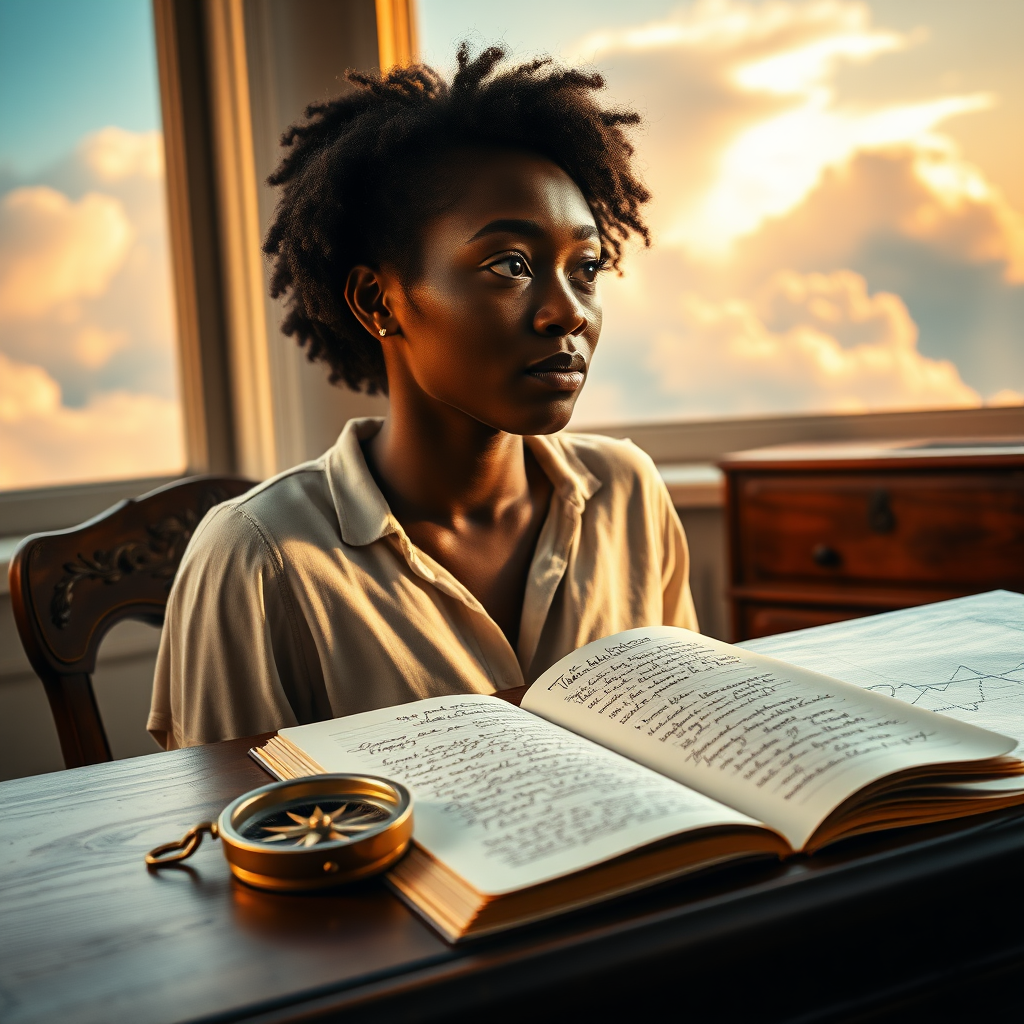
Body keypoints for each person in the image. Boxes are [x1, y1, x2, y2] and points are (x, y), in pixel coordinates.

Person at [148, 44, 698, 750]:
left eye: (586, 268)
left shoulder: (629, 495)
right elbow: (240, 835)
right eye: (511, 265)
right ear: (379, 302)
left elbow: (691, 747)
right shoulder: (259, 559)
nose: (568, 313)